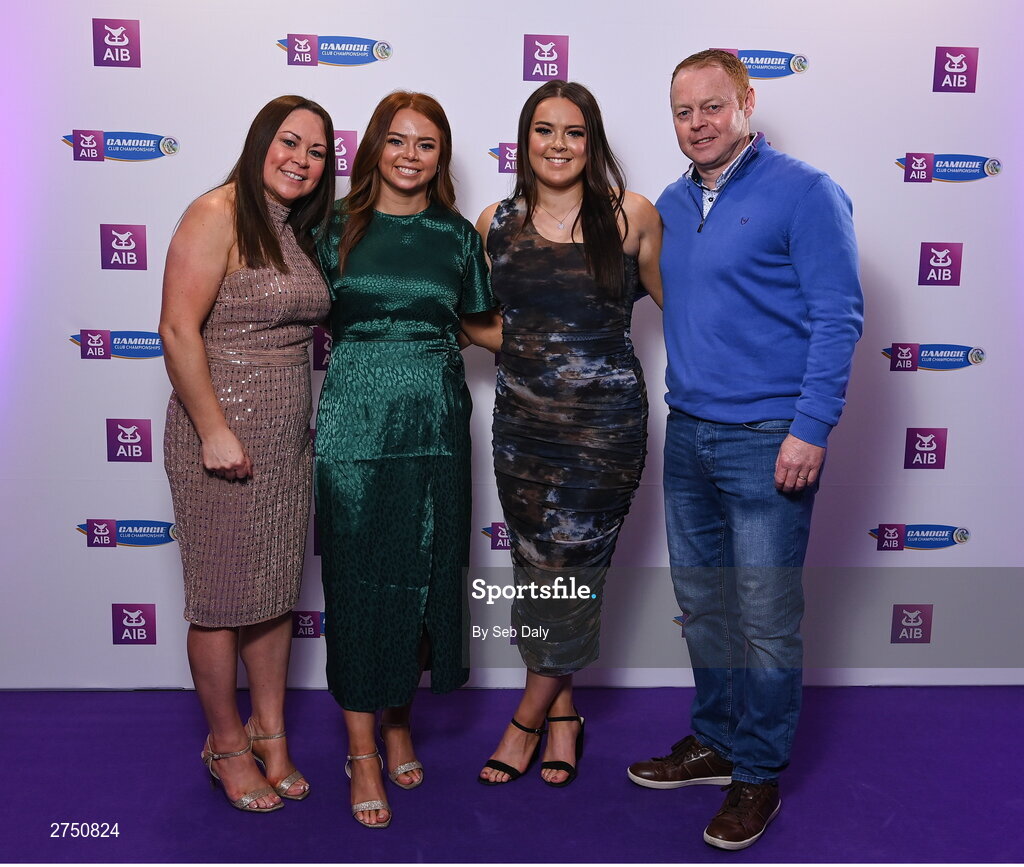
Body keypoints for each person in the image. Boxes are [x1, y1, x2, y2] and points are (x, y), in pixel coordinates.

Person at [626, 49, 863, 850]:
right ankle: (717, 743)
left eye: (713, 107)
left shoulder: (806, 192)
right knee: (705, 608)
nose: (698, 123)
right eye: (684, 111)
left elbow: (838, 317)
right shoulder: (667, 201)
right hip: (688, 431)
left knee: (764, 617)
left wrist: (811, 427)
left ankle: (757, 772)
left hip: (770, 439)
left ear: (747, 102)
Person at [314, 92, 497, 829]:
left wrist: (578, 337)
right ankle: (361, 747)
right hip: (354, 417)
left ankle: (398, 720)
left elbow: (485, 327)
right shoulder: (331, 228)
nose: (411, 155)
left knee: (423, 571)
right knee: (360, 578)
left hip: (437, 417)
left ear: (440, 158)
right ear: (374, 150)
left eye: (427, 144)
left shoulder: (455, 235)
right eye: (398, 141)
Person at [475, 80, 663, 788]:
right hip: (524, 432)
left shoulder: (632, 216)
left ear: (593, 142)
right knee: (536, 574)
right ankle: (563, 717)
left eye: (574, 132)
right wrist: (529, 346)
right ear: (525, 141)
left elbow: (691, 307)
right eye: (544, 130)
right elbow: (469, 316)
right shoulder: (495, 221)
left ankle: (524, 720)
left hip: (604, 436)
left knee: (574, 577)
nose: (559, 145)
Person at [159, 95, 335, 812]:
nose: (301, 160)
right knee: (221, 599)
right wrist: (212, 429)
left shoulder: (297, 227)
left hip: (287, 444)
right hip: (221, 438)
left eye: (317, 151)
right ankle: (226, 743)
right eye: (289, 143)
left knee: (271, 596)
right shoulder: (217, 212)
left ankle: (272, 731)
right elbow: (176, 328)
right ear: (261, 140)